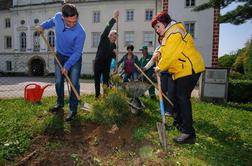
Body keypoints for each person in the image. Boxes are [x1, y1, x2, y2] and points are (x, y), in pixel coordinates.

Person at [150, 11, 205, 144]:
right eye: (155, 28)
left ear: (164, 22)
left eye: (158, 26)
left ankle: (188, 133)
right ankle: (181, 124)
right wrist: (157, 53)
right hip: (181, 70)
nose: (157, 30)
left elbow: (170, 55)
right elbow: (164, 49)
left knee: (182, 98)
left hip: (188, 68)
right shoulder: (169, 34)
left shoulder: (174, 32)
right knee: (177, 97)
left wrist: (159, 67)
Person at [36, 3, 86, 121]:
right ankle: (60, 103)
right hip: (59, 55)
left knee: (74, 83)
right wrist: (42, 26)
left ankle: (73, 109)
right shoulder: (58, 17)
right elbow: (51, 22)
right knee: (58, 81)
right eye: (69, 22)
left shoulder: (80, 32)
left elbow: (77, 52)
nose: (72, 24)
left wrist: (67, 66)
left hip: (74, 59)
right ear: (63, 18)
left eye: (75, 21)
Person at [94, 10, 119, 98]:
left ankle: (105, 96)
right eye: (113, 36)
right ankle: (97, 96)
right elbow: (107, 28)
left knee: (105, 81)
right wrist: (114, 18)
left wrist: (115, 54)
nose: (114, 39)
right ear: (110, 35)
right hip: (98, 62)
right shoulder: (104, 38)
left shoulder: (114, 45)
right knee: (97, 80)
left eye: (116, 38)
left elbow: (112, 56)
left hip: (106, 65)